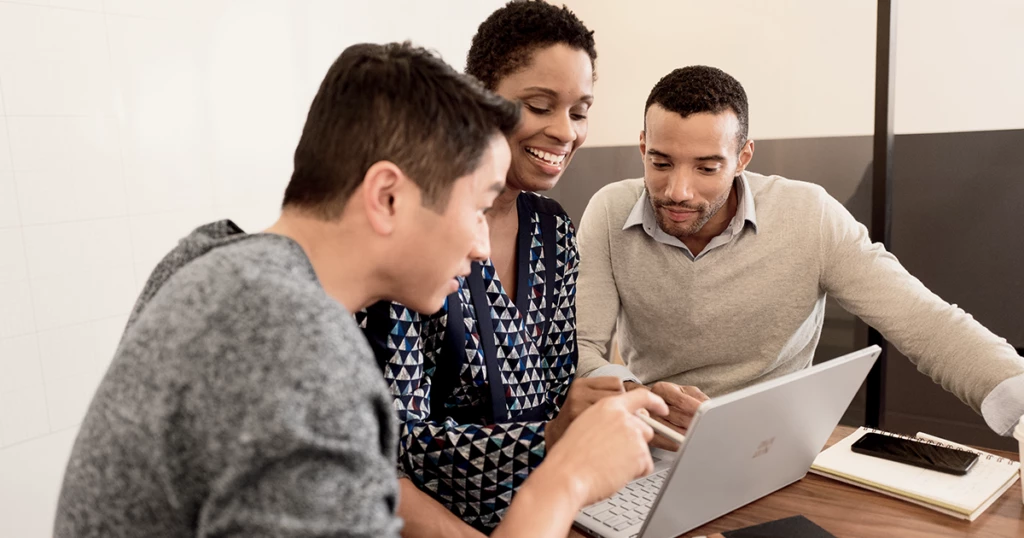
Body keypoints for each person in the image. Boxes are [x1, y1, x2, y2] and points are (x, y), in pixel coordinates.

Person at [53, 42, 668, 538]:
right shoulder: (298, 351)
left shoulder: (211, 259)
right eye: (477, 207)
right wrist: (562, 483)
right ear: (387, 196)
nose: (482, 245)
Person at [574, 65, 1024, 450]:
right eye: (661, 162)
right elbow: (581, 346)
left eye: (707, 168)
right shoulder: (611, 211)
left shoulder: (808, 214)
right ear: (642, 148)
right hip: (652, 438)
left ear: (743, 158)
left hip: (770, 445)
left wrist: (1019, 394)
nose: (678, 191)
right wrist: (641, 398)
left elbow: (923, 320)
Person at [359, 2, 622, 535]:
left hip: (552, 510)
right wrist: (544, 439)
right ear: (476, 96)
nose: (564, 131)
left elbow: (555, 392)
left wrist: (619, 401)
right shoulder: (413, 235)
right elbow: (392, 448)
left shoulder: (552, 230)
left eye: (580, 110)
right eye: (539, 105)